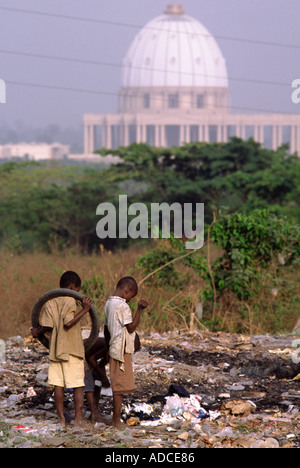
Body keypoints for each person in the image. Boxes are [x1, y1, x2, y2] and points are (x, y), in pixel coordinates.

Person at [31, 271, 92, 429]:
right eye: (77, 290)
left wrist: (38, 331)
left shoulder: (50, 302)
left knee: (58, 385)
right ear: (73, 286)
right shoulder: (71, 300)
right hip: (72, 349)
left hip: (56, 350)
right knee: (78, 385)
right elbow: (68, 323)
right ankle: (78, 421)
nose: (77, 293)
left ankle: (61, 420)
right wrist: (85, 309)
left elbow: (47, 326)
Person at [104, 276, 148, 429]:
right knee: (119, 389)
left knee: (118, 386)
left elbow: (106, 329)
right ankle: (116, 422)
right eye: (131, 296)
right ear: (126, 290)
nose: (130, 299)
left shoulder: (109, 303)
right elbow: (131, 328)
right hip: (121, 350)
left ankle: (116, 420)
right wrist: (139, 310)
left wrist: (108, 346)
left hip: (113, 347)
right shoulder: (123, 306)